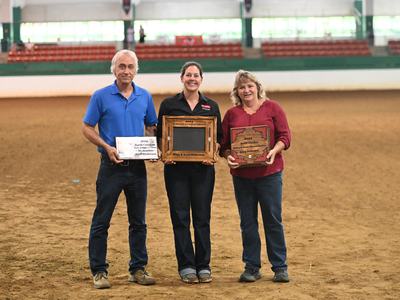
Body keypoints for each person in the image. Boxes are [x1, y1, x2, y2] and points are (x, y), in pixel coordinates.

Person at [82, 49, 157, 289]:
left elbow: (151, 127)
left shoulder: (145, 96)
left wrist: (154, 147)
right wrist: (106, 147)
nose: (126, 71)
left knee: (139, 221)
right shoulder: (100, 96)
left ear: (136, 70)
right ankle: (99, 271)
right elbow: (87, 127)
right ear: (114, 69)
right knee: (101, 220)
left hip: (137, 168)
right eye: (121, 66)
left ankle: (137, 268)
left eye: (130, 67)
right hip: (110, 166)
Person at [220, 70, 291, 283]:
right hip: (242, 176)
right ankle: (251, 266)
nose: (246, 90)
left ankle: (279, 267)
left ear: (257, 87)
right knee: (247, 222)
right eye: (242, 87)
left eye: (250, 86)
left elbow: (285, 136)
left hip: (269, 174)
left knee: (273, 220)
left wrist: (273, 151)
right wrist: (228, 156)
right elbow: (223, 145)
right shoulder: (232, 114)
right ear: (237, 92)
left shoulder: (273, 108)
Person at [157, 61, 222, 284]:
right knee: (180, 218)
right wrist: (166, 153)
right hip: (175, 171)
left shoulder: (211, 106)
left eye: (196, 75)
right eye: (188, 75)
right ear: (182, 78)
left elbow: (218, 139)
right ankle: (186, 266)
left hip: (203, 171)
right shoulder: (168, 104)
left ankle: (203, 265)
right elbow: (161, 136)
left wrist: (212, 153)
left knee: (202, 219)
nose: (192, 79)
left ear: (201, 79)